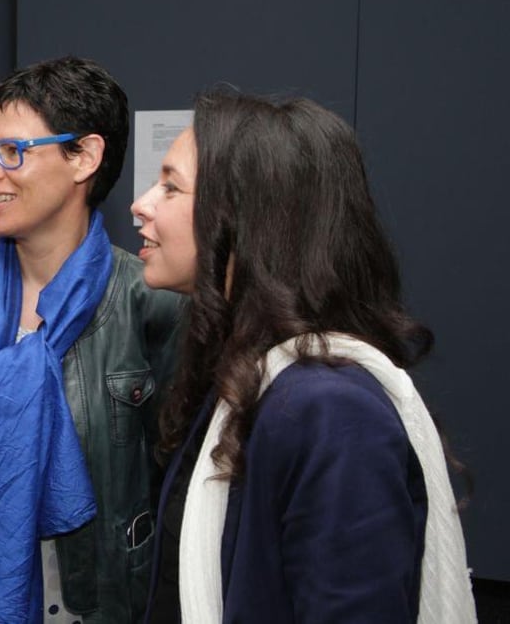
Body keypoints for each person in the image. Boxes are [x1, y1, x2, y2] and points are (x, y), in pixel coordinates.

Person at [130, 91, 477, 623]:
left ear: (249, 219)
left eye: (171, 186)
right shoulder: (240, 370)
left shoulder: (331, 411)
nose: (142, 203)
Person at [0, 56, 183, 624]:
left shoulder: (150, 302)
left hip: (78, 605)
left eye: (13, 151)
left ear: (85, 158)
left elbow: (173, 492)